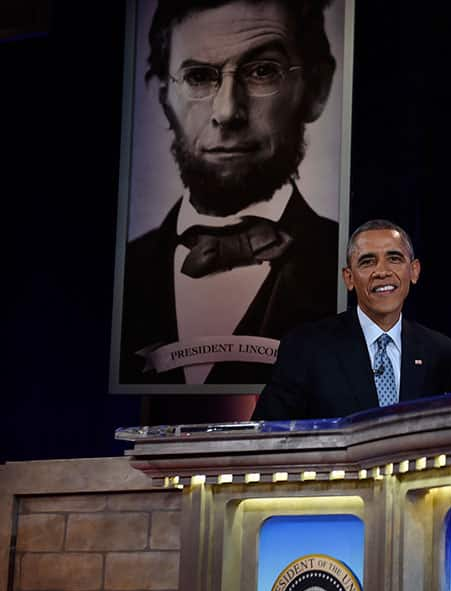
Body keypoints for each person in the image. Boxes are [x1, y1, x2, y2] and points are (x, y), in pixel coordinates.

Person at [119, 0, 340, 385]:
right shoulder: (127, 270)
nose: (227, 110)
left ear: (316, 89)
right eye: (199, 77)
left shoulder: (345, 266)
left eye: (262, 71)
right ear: (161, 96)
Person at [252, 220, 451, 420]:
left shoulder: (440, 352)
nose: (382, 271)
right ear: (349, 278)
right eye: (367, 262)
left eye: (394, 258)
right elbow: (267, 436)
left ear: (414, 271)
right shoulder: (305, 348)